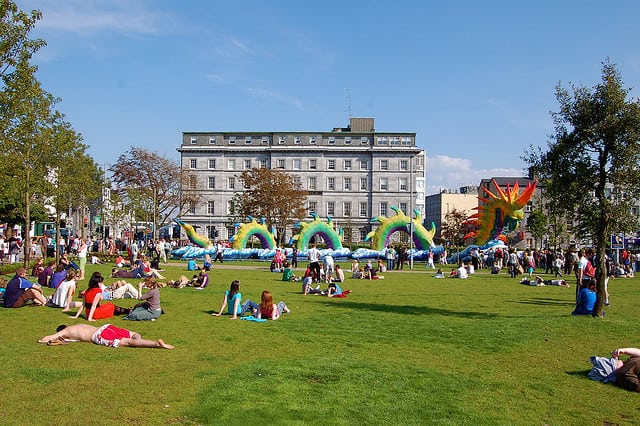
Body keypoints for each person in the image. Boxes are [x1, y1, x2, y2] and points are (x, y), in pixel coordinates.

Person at [38, 323, 173, 349]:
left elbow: (48, 338)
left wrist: (41, 340)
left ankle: (155, 344)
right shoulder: (78, 324)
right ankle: (140, 340)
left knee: (127, 343)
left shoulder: (66, 331)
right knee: (133, 335)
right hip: (106, 326)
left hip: (100, 335)